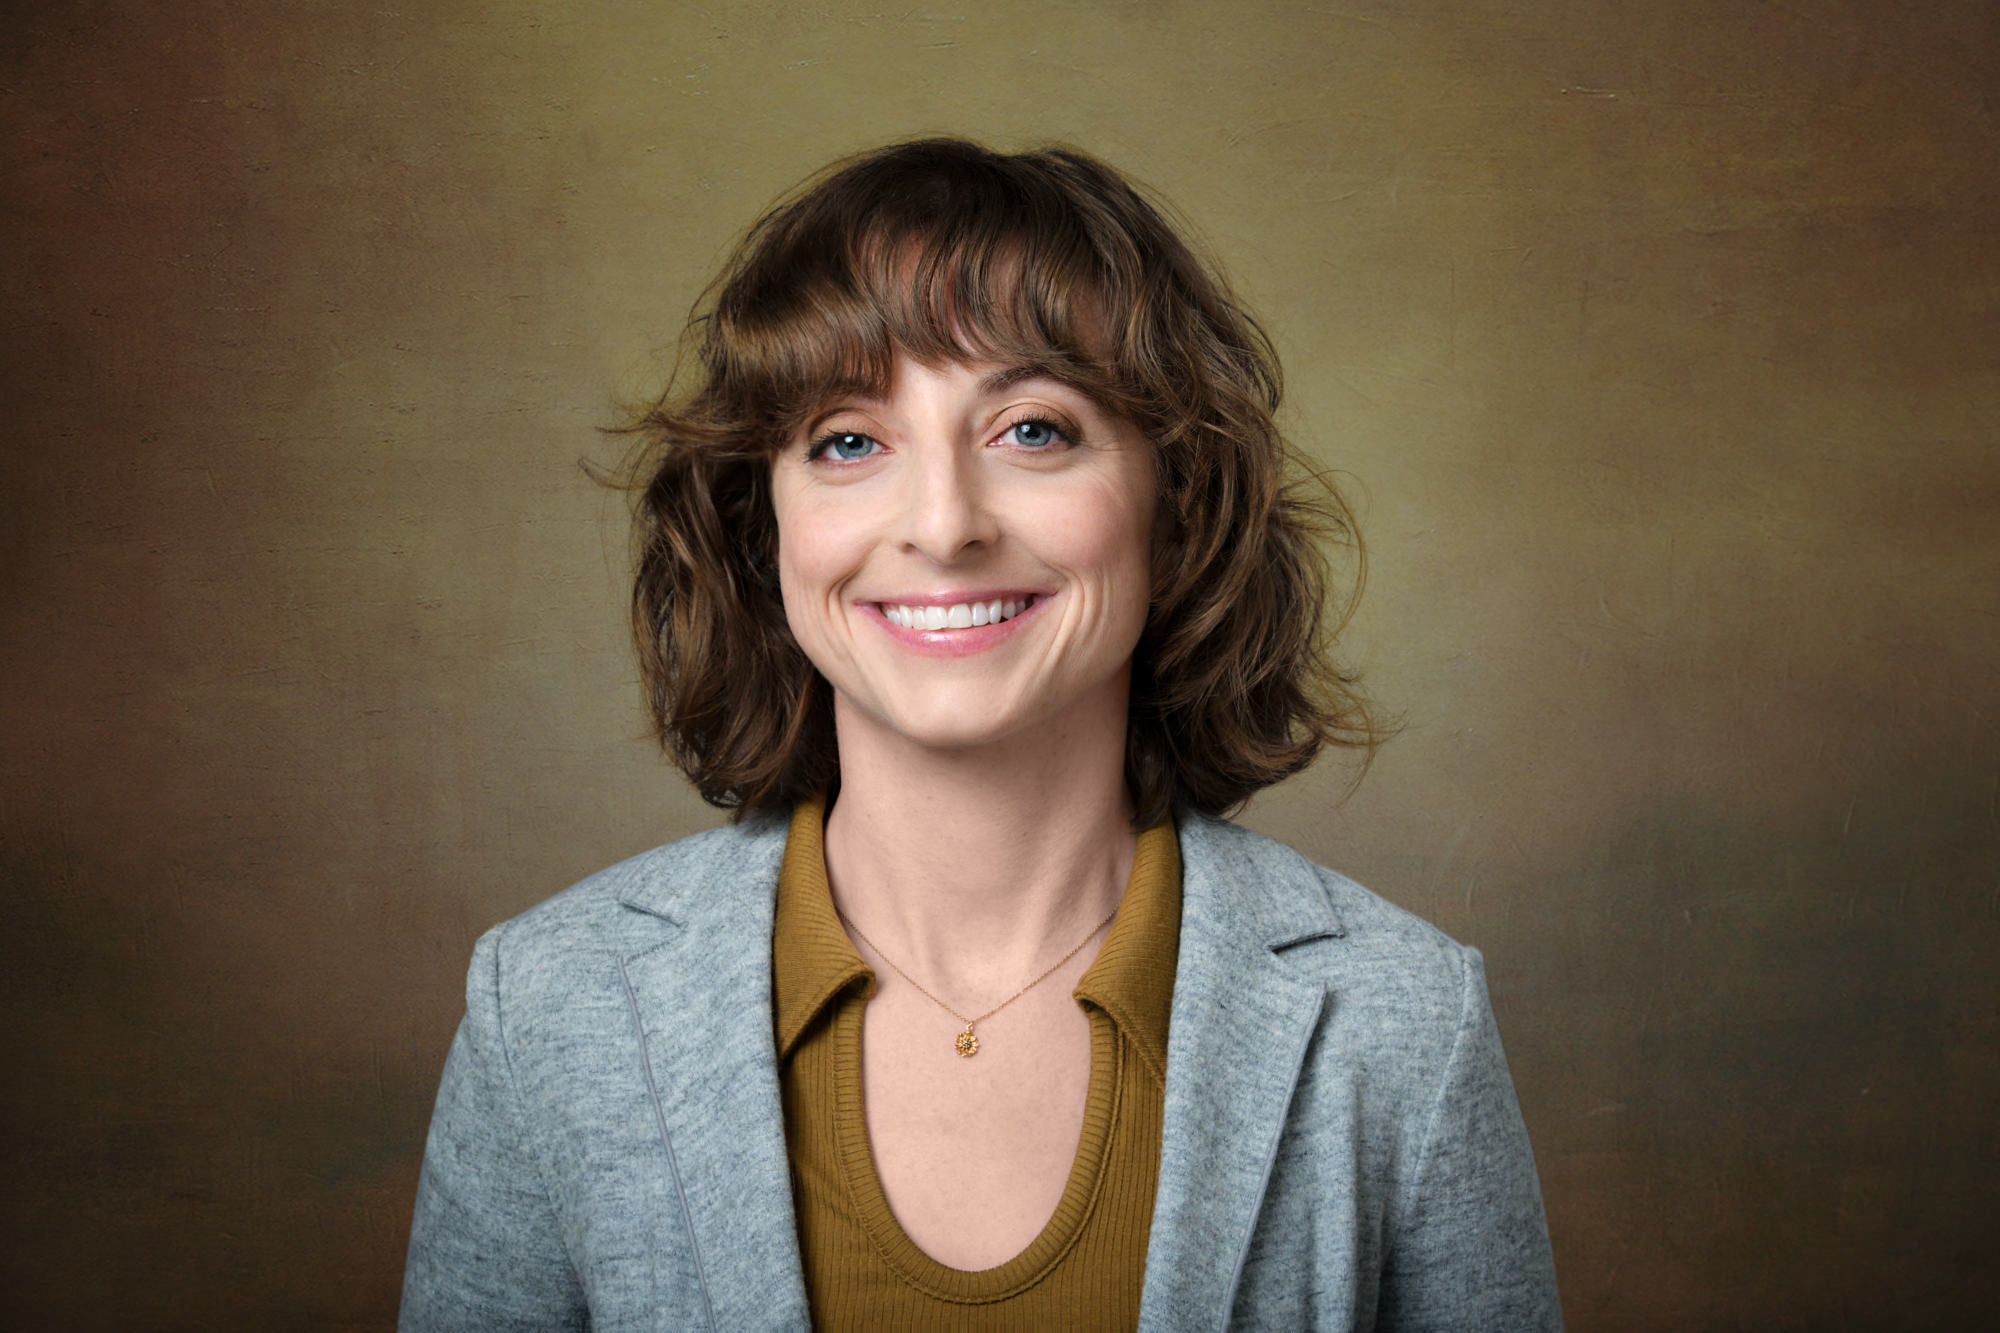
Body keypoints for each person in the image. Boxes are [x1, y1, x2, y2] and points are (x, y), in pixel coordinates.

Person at [400, 138, 1561, 1330]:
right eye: (848, 441)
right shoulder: (548, 1008)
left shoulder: (1401, 1023)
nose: (944, 524)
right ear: (763, 531)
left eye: (1032, 430)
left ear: (1174, 504)